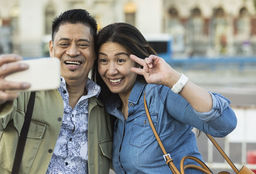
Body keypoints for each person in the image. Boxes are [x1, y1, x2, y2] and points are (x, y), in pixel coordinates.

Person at [0, 9, 112, 174]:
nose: (73, 52)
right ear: (51, 48)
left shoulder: (105, 108)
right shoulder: (25, 91)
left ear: (94, 52)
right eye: (64, 44)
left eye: (83, 45)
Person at [92, 22, 237, 174]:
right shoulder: (111, 109)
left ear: (137, 60)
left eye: (120, 60)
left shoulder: (160, 95)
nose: (111, 70)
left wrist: (173, 79)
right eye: (104, 61)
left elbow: (225, 123)